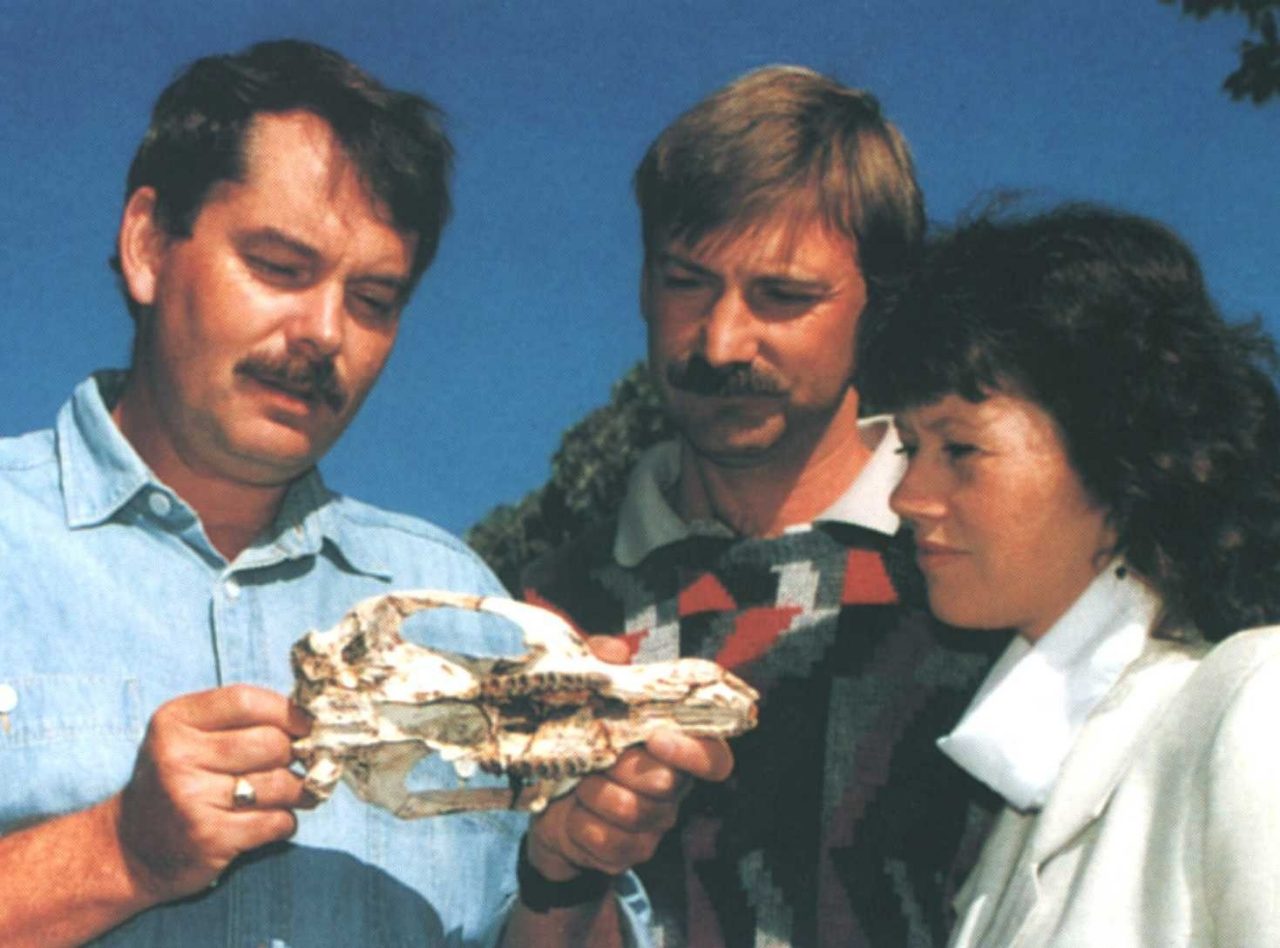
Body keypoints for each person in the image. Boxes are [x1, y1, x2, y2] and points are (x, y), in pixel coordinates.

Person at [0, 39, 727, 947]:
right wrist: (116, 855)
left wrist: (567, 872)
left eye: (375, 299)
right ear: (148, 245)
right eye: (278, 266)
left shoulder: (455, 606)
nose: (324, 332)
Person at [523, 65, 1006, 946]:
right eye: (685, 281)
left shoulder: (978, 564)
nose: (720, 340)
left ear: (881, 306)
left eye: (784, 296)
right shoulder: (554, 615)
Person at [855, 204, 1280, 946]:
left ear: (1119, 458)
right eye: (909, 448)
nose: (905, 498)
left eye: (959, 450)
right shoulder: (1013, 819)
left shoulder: (1254, 699)